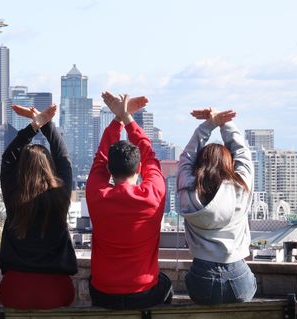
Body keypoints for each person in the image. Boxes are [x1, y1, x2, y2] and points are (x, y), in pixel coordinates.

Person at [86, 92, 173, 309]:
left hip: (104, 293)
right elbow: (150, 155)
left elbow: (100, 159)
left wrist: (118, 119)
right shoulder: (153, 195)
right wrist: (127, 119)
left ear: (109, 170)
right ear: (140, 168)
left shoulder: (98, 195)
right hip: (144, 293)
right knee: (165, 284)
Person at [0, 104, 78, 309]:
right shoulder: (60, 196)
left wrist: (34, 127)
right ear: (50, 167)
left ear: (21, 169)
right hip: (56, 289)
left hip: (15, 289)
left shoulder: (13, 197)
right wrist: (45, 124)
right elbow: (64, 159)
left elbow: (8, 158)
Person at [177, 107, 256, 305]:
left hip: (201, 279)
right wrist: (223, 121)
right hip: (239, 277)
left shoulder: (187, 188)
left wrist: (209, 124)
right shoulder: (240, 187)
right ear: (229, 165)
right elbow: (242, 153)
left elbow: (186, 158)